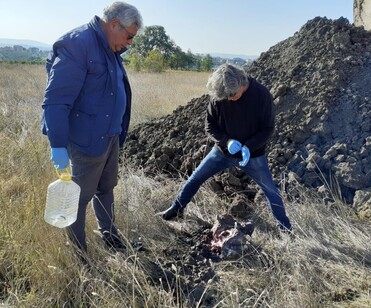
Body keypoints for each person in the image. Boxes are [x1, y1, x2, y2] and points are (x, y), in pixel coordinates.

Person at [41, 2, 143, 253]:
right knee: (78, 198)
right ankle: (78, 252)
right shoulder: (78, 44)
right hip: (86, 140)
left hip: (110, 136)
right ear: (114, 24)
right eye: (129, 36)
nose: (130, 42)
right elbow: (56, 100)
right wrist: (57, 145)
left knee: (106, 189)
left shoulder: (110, 48)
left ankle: (110, 237)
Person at [158, 63, 292, 231]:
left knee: (271, 191)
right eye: (225, 97)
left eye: (232, 95)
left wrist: (249, 147)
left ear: (242, 83)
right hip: (221, 152)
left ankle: (285, 229)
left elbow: (268, 128)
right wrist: (226, 141)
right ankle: (176, 209)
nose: (229, 99)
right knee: (195, 178)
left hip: (252, 155)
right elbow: (210, 125)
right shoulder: (219, 95)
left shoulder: (261, 95)